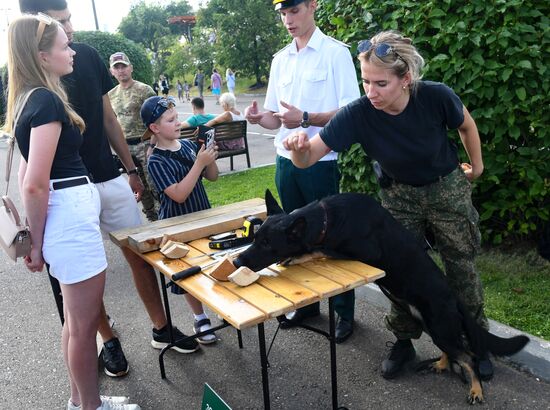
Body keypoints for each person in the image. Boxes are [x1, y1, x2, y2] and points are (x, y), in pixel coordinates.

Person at [282, 30, 493, 381]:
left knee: (462, 268)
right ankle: (404, 341)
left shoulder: (436, 96)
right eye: (365, 81)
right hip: (399, 196)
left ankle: (476, 342)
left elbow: (466, 125)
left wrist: (478, 166)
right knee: (396, 272)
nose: (370, 92)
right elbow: (309, 157)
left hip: (447, 190)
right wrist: (299, 148)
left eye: (380, 83)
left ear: (405, 78)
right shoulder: (359, 113)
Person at [19, 0, 200, 380]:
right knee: (85, 274)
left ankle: (161, 326)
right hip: (67, 194)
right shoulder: (35, 87)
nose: (70, 31)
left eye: (70, 20)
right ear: (38, 35)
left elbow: (108, 116)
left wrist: (130, 168)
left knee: (139, 255)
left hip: (107, 176)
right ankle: (108, 339)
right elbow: (30, 167)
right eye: (60, 24)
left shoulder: (84, 56)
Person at [6, 15, 140, 410]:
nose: (72, 53)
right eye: (64, 46)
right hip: (68, 217)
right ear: (42, 55)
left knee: (74, 323)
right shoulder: (45, 100)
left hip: (65, 216)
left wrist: (38, 238)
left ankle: (80, 401)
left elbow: (25, 172)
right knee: (82, 328)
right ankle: (91, 407)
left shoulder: (29, 97)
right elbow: (33, 181)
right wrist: (38, 243)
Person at [244, 0, 360, 343]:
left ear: (313, 6)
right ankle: (307, 304)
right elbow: (274, 118)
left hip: (319, 160)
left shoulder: (335, 53)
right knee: (289, 235)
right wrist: (257, 118)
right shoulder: (281, 59)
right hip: (285, 160)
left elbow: (351, 111)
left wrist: (307, 118)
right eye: (282, 14)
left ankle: (344, 310)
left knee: (331, 237)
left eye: (293, 11)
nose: (288, 20)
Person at [141, 96, 219, 343]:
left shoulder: (187, 146)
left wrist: (209, 159)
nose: (178, 123)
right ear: (155, 128)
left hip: (202, 215)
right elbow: (178, 194)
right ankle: (200, 317)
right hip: (178, 224)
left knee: (211, 261)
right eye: (171, 120)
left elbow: (213, 177)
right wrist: (199, 163)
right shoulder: (156, 159)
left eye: (177, 118)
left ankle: (221, 306)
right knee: (188, 271)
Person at [108, 51, 158, 222]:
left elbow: (157, 120)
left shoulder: (144, 90)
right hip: (126, 148)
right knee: (140, 187)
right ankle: (152, 220)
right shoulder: (110, 95)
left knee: (155, 186)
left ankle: (165, 220)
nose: (121, 70)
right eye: (117, 67)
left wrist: (152, 146)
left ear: (131, 68)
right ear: (112, 72)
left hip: (145, 143)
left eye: (124, 66)